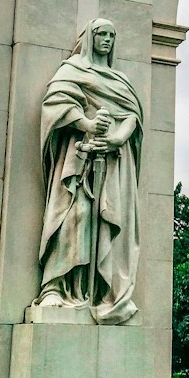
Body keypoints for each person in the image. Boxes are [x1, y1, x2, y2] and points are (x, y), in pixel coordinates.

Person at [33, 19, 144, 324]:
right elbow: (55, 104)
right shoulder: (72, 70)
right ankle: (55, 287)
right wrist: (87, 124)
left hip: (114, 163)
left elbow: (133, 114)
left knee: (105, 224)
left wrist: (117, 137)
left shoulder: (120, 79)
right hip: (78, 158)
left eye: (112, 35)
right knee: (74, 218)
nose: (107, 40)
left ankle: (102, 292)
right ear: (90, 38)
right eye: (101, 34)